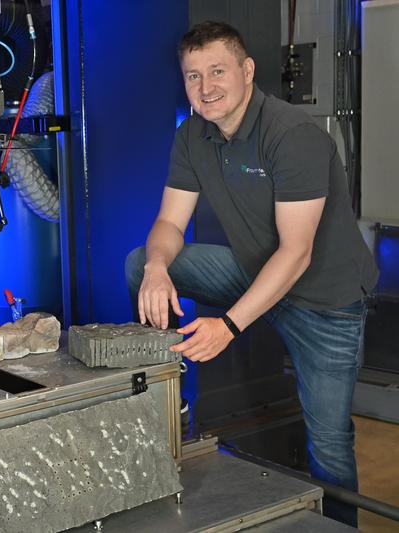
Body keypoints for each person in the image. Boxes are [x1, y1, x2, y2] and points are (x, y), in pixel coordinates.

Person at [125, 21, 378, 527]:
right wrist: (157, 268)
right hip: (253, 272)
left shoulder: (292, 135)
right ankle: (164, 398)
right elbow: (170, 223)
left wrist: (229, 326)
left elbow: (297, 253)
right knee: (139, 262)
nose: (206, 87)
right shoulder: (193, 134)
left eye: (217, 71)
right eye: (193, 76)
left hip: (325, 300)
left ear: (247, 71)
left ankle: (341, 527)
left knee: (328, 439)